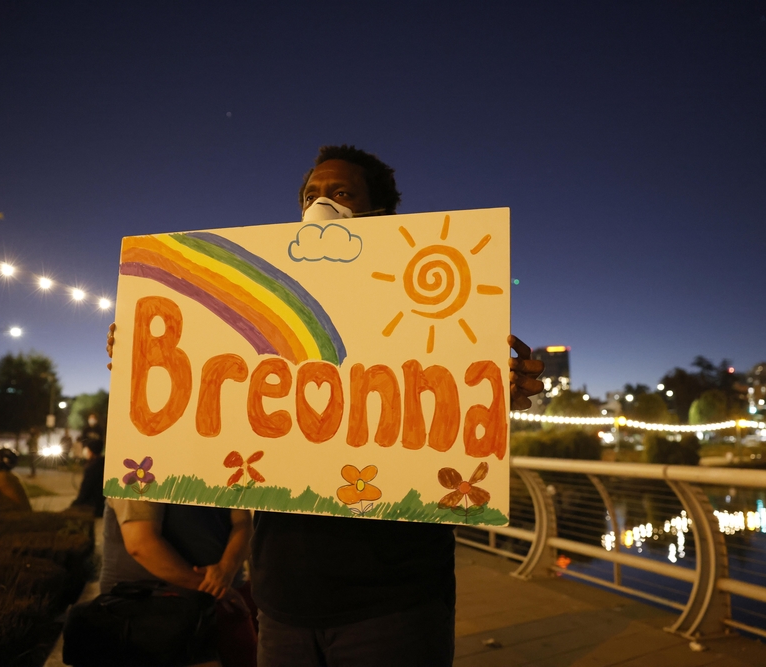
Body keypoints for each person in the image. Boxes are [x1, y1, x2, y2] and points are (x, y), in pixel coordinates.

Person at [106, 145, 544, 666]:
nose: (322, 206)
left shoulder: (421, 322)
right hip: (283, 602)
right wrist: (145, 360)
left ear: (380, 215)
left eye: (341, 194)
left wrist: (498, 392)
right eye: (312, 195)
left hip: (394, 601)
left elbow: (444, 412)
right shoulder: (263, 317)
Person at [100, 499, 258, 666]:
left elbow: (243, 522)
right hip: (150, 604)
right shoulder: (138, 473)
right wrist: (214, 586)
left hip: (218, 597)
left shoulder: (221, 472)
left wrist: (225, 571)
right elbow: (141, 544)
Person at [68, 438, 106, 517]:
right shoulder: (104, 464)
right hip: (103, 503)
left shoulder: (92, 468)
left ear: (91, 451)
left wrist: (75, 503)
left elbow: (85, 490)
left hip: (94, 506)